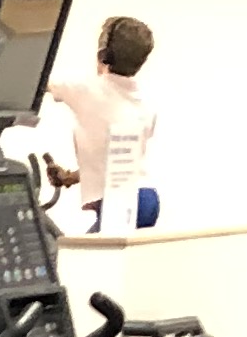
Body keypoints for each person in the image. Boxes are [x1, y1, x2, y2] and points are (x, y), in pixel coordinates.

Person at [40, 13, 160, 236]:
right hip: (146, 199)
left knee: (82, 263)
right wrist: (70, 177)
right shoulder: (145, 102)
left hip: (120, 203)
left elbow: (36, 80)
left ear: (103, 54)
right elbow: (115, 161)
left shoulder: (86, 90)